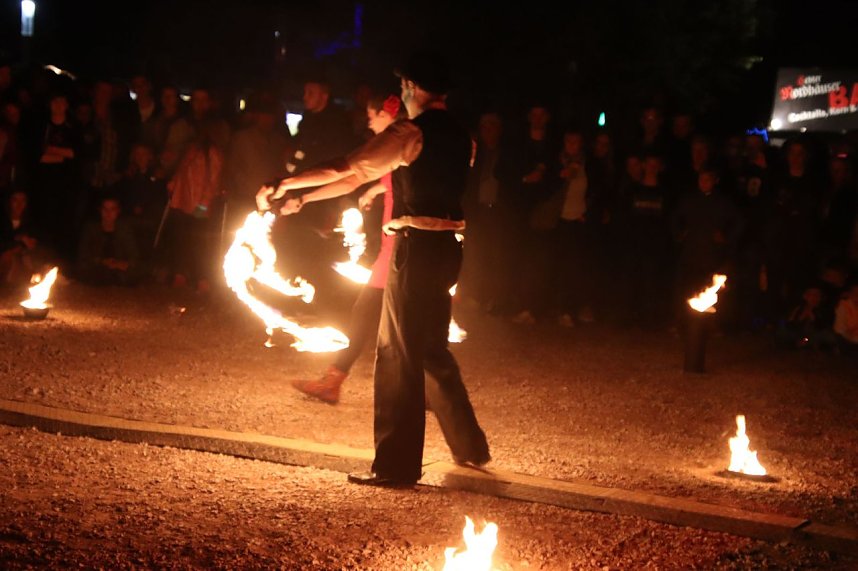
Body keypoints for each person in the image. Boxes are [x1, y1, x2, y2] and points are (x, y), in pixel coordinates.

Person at [258, 51, 490, 487]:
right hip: (449, 249)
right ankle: (470, 445)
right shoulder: (464, 136)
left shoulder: (410, 132)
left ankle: (395, 467)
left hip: (414, 248)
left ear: (414, 88)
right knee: (430, 348)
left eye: (404, 85)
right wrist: (302, 196)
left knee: (398, 355)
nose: (402, 92)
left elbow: (347, 166)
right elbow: (356, 178)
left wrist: (287, 182)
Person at [287, 94, 406, 404]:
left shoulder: (397, 145)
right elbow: (378, 179)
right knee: (393, 318)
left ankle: (334, 381)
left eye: (372, 115)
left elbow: (349, 177)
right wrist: (377, 188)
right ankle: (419, 388)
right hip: (397, 244)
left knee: (369, 312)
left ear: (387, 114)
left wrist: (298, 192)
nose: (369, 121)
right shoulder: (400, 149)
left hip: (399, 245)